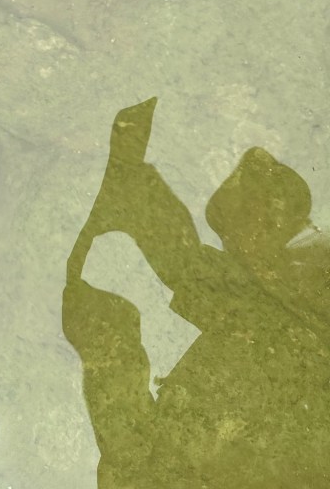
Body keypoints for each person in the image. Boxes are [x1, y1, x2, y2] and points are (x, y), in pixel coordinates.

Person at [62, 98, 330, 488]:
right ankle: (132, 192)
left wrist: (108, 350)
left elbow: (136, 465)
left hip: (234, 415)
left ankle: (132, 193)